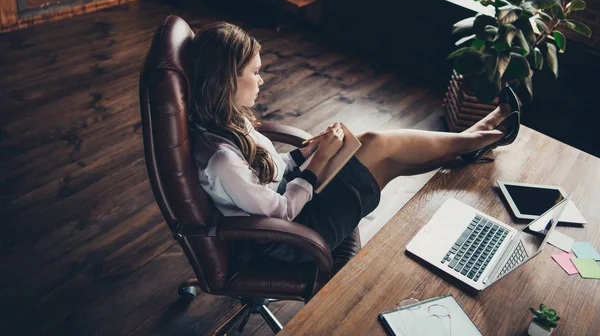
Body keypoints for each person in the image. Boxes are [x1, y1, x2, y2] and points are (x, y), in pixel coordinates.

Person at [189, 22, 520, 264]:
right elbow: (281, 212)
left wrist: (308, 150)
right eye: (255, 72)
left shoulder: (230, 119)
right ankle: (476, 139)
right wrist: (318, 163)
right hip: (285, 239)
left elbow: (273, 170)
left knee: (375, 151)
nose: (261, 79)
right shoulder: (221, 160)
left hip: (287, 198)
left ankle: (471, 142)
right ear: (229, 79)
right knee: (379, 152)